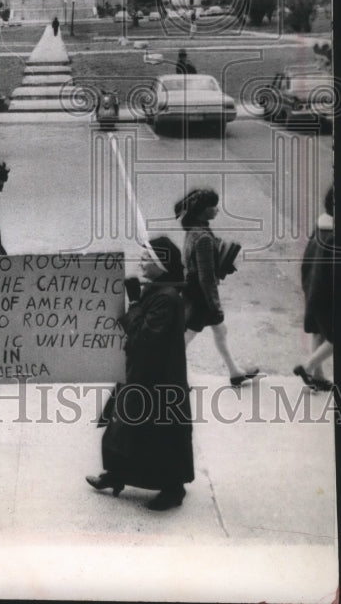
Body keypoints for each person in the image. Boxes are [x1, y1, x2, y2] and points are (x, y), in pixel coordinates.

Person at [86, 237, 194, 511]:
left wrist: (134, 303)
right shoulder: (158, 290)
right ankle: (117, 474)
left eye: (147, 258)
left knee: (159, 438)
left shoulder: (167, 299)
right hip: (142, 375)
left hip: (158, 381)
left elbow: (144, 337)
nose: (141, 261)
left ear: (162, 265)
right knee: (122, 430)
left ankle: (173, 489)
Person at [175, 188, 258, 387]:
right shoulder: (203, 237)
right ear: (203, 210)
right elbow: (206, 277)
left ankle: (235, 372)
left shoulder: (194, 231)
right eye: (213, 206)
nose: (217, 210)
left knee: (220, 331)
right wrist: (214, 303)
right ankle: (176, 379)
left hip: (193, 291)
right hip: (201, 297)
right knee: (184, 340)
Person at [294, 185, 334, 391]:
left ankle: (317, 376)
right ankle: (308, 367)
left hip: (313, 288)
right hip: (329, 294)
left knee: (319, 332)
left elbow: (308, 260)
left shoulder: (321, 229)